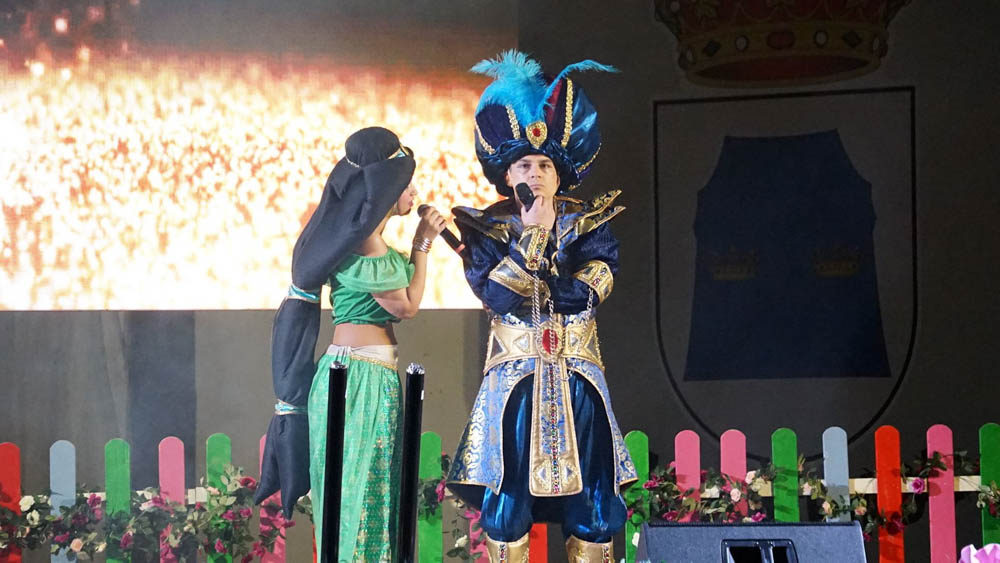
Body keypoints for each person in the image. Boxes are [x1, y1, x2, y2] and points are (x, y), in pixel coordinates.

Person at [446, 51, 637, 562]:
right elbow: (496, 296)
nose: (535, 173)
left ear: (560, 173)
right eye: (524, 165)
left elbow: (590, 287)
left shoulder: (591, 225)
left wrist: (554, 276)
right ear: (507, 173)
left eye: (545, 164)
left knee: (594, 494)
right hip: (514, 381)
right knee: (507, 493)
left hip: (578, 376)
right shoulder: (485, 230)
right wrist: (531, 238)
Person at [254, 126, 446, 561]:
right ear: (387, 187)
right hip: (358, 379)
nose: (414, 193)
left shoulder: (368, 241)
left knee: (370, 492)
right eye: (407, 183)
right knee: (361, 497)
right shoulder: (366, 243)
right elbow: (406, 306)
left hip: (367, 375)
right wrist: (423, 243)